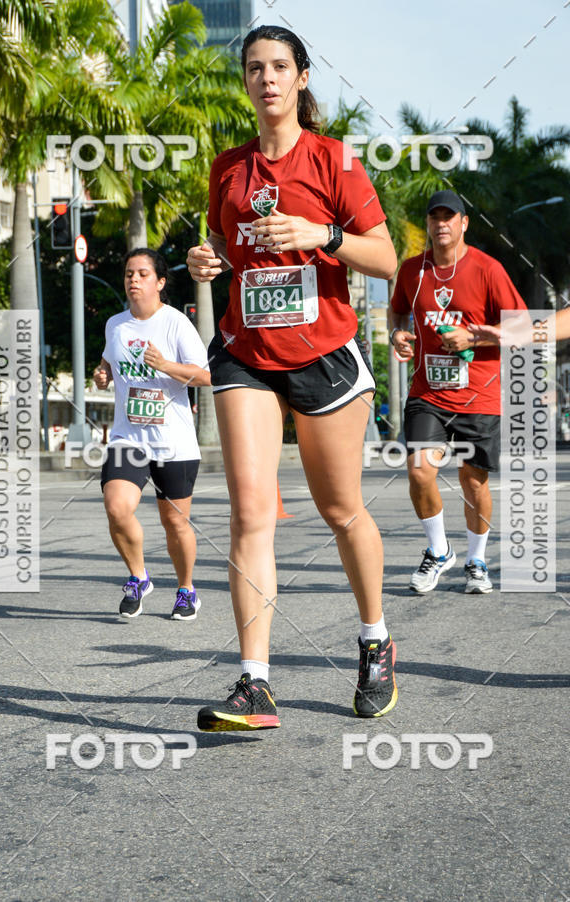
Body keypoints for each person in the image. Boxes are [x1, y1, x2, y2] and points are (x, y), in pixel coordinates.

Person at [187, 24, 398, 732]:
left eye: (279, 66)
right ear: (245, 82)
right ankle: (255, 683)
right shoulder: (228, 167)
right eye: (255, 68)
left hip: (323, 352)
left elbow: (387, 259)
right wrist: (207, 260)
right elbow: (225, 244)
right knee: (249, 514)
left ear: (301, 78)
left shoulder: (335, 160)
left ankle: (374, 641)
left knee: (341, 510)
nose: (267, 78)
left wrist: (323, 235)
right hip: (245, 350)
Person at [389, 189, 527, 595]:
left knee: (473, 482)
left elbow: (521, 325)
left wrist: (474, 338)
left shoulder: (488, 269)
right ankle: (438, 551)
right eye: (435, 217)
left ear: (464, 223)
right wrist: (398, 334)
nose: (441, 224)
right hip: (428, 392)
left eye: (449, 217)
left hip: (478, 393)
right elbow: (398, 311)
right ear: (428, 224)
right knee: (419, 472)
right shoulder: (412, 271)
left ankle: (477, 561)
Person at [93, 248, 211, 621]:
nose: (134, 280)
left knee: (174, 522)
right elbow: (108, 363)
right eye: (129, 273)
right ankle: (139, 577)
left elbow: (205, 375)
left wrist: (165, 365)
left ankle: (186, 590)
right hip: (129, 438)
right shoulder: (115, 325)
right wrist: (102, 375)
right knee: (117, 507)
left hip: (174, 442)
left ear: (159, 282)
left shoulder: (176, 323)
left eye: (142, 273)